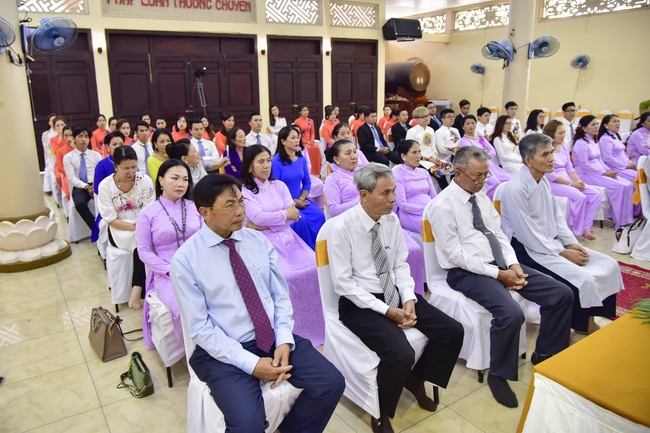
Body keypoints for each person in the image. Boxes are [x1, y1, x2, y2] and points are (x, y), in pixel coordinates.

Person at [170, 174, 345, 433]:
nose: (241, 211)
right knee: (247, 424)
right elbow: (200, 328)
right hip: (223, 350)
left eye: (241, 202)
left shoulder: (257, 241)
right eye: (230, 205)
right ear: (205, 212)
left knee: (331, 383)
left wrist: (283, 339)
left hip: (271, 338)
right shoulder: (186, 260)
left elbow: (280, 296)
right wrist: (251, 364)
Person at [426, 146, 573, 408]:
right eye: (477, 176)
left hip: (500, 263)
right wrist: (498, 274)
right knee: (511, 313)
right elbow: (455, 255)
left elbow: (498, 235)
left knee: (561, 294)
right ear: (458, 173)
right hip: (465, 273)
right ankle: (499, 374)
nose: (483, 181)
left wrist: (513, 264)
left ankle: (547, 352)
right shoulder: (442, 206)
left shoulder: (480, 196)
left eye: (485, 175)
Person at [328, 163, 464, 433]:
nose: (393, 199)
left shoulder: (391, 220)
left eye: (394, 191)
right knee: (401, 353)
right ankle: (381, 411)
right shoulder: (341, 228)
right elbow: (344, 284)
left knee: (452, 331)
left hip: (394, 292)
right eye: (385, 193)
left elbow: (400, 264)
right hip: (360, 302)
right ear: (364, 195)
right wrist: (387, 311)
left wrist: (409, 298)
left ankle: (416, 379)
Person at [500, 133, 623, 337]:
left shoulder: (543, 181)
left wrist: (571, 244)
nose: (552, 159)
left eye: (551, 153)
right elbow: (525, 232)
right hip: (526, 249)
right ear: (528, 160)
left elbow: (557, 218)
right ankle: (581, 324)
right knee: (581, 278)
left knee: (609, 264)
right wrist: (562, 253)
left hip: (550, 243)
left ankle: (590, 319)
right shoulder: (515, 189)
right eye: (545, 154)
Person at [241, 145, 325, 347]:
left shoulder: (279, 185)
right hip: (265, 244)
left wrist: (264, 223)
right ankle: (293, 331)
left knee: (315, 269)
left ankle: (318, 326)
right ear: (250, 166)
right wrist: (279, 217)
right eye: (260, 162)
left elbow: (293, 215)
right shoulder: (245, 192)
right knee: (285, 278)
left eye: (268, 161)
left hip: (290, 240)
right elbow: (257, 217)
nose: (266, 165)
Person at [324, 141, 426, 297]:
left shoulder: (366, 173)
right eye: (348, 153)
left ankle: (411, 293)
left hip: (379, 217)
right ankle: (381, 293)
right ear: (336, 159)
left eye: (355, 152)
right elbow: (333, 210)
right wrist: (362, 201)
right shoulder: (333, 179)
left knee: (412, 251)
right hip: (355, 225)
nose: (353, 156)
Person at [136, 159, 203, 351]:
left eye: (185, 179)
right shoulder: (148, 213)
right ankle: (196, 354)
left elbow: (206, 238)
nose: (181, 184)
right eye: (174, 178)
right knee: (186, 308)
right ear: (161, 180)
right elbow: (143, 251)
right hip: (167, 274)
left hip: (199, 267)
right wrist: (169, 269)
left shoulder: (195, 207)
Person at [98, 146, 155, 310]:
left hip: (143, 223)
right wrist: (133, 227)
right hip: (120, 228)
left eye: (134, 167)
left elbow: (149, 209)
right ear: (116, 166)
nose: (131, 172)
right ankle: (139, 291)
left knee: (141, 241)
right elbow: (110, 218)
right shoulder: (106, 186)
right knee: (140, 242)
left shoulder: (144, 181)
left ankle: (137, 289)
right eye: (126, 168)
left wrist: (140, 226)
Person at [571, 115, 635, 228]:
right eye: (593, 124)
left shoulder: (594, 141)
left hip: (599, 171)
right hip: (586, 174)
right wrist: (604, 173)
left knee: (628, 185)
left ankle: (625, 218)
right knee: (620, 187)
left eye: (597, 124)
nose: (596, 127)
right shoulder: (581, 143)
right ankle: (620, 221)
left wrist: (608, 170)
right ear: (584, 128)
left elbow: (600, 160)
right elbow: (585, 165)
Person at [542, 120, 600, 240]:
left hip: (568, 179)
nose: (563, 135)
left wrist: (578, 182)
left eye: (564, 132)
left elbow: (570, 169)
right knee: (581, 197)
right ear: (551, 134)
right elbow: (551, 176)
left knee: (595, 194)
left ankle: (586, 226)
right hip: (553, 183)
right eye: (560, 133)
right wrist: (571, 184)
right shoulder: (546, 150)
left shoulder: (563, 148)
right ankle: (577, 229)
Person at [271, 126, 325, 249]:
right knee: (301, 221)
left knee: (319, 216)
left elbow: (307, 183)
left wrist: (301, 198)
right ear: (283, 141)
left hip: (301, 199)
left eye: (298, 137)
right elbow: (275, 188)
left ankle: (320, 251)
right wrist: (292, 203)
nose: (297, 140)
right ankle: (306, 252)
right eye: (293, 138)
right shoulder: (276, 161)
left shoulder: (301, 159)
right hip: (284, 203)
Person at [457, 115, 511, 199]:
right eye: (467, 124)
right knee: (495, 183)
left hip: (491, 166)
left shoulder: (481, 138)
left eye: (473, 123)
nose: (471, 125)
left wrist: (483, 153)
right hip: (478, 168)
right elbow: (473, 155)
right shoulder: (463, 141)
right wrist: (484, 152)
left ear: (476, 124)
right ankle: (487, 201)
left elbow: (493, 151)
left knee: (509, 179)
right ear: (463, 127)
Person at [393, 140, 436, 234]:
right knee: (434, 226)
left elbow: (434, 197)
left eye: (419, 152)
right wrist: (425, 210)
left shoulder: (424, 172)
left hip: (430, 211)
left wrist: (435, 209)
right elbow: (402, 205)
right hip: (410, 214)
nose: (418, 155)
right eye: (414, 152)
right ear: (403, 156)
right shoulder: (398, 175)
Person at [63, 127, 103, 230]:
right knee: (80, 204)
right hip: (80, 186)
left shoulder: (96, 155)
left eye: (86, 137)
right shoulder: (68, 157)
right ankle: (96, 229)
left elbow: (100, 173)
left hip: (95, 184)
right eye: (80, 136)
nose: (84, 139)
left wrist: (94, 185)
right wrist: (86, 187)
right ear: (74, 139)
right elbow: (71, 178)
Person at [597, 114, 637, 182]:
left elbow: (622, 154)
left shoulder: (614, 136)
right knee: (639, 177)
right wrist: (625, 166)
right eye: (614, 121)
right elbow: (607, 158)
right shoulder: (605, 139)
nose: (617, 123)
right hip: (616, 167)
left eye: (618, 121)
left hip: (625, 164)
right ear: (606, 125)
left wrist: (631, 163)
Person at [293, 105, 321, 177]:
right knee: (308, 149)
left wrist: (311, 140)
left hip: (310, 141)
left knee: (316, 148)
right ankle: (309, 170)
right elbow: (297, 134)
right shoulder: (297, 121)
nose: (306, 112)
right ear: (300, 112)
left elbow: (313, 133)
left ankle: (317, 172)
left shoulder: (310, 121)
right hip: (302, 141)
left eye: (307, 110)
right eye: (304, 110)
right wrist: (305, 142)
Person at [55, 125, 75, 200]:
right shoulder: (60, 151)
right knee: (69, 182)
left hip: (81, 172)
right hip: (68, 174)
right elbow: (60, 168)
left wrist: (74, 147)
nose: (68, 138)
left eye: (71, 135)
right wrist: (71, 173)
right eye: (66, 135)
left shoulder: (79, 148)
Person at [42, 113, 58, 193]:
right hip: (51, 155)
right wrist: (53, 152)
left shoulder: (61, 132)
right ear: (49, 122)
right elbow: (46, 147)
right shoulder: (46, 134)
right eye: (52, 120)